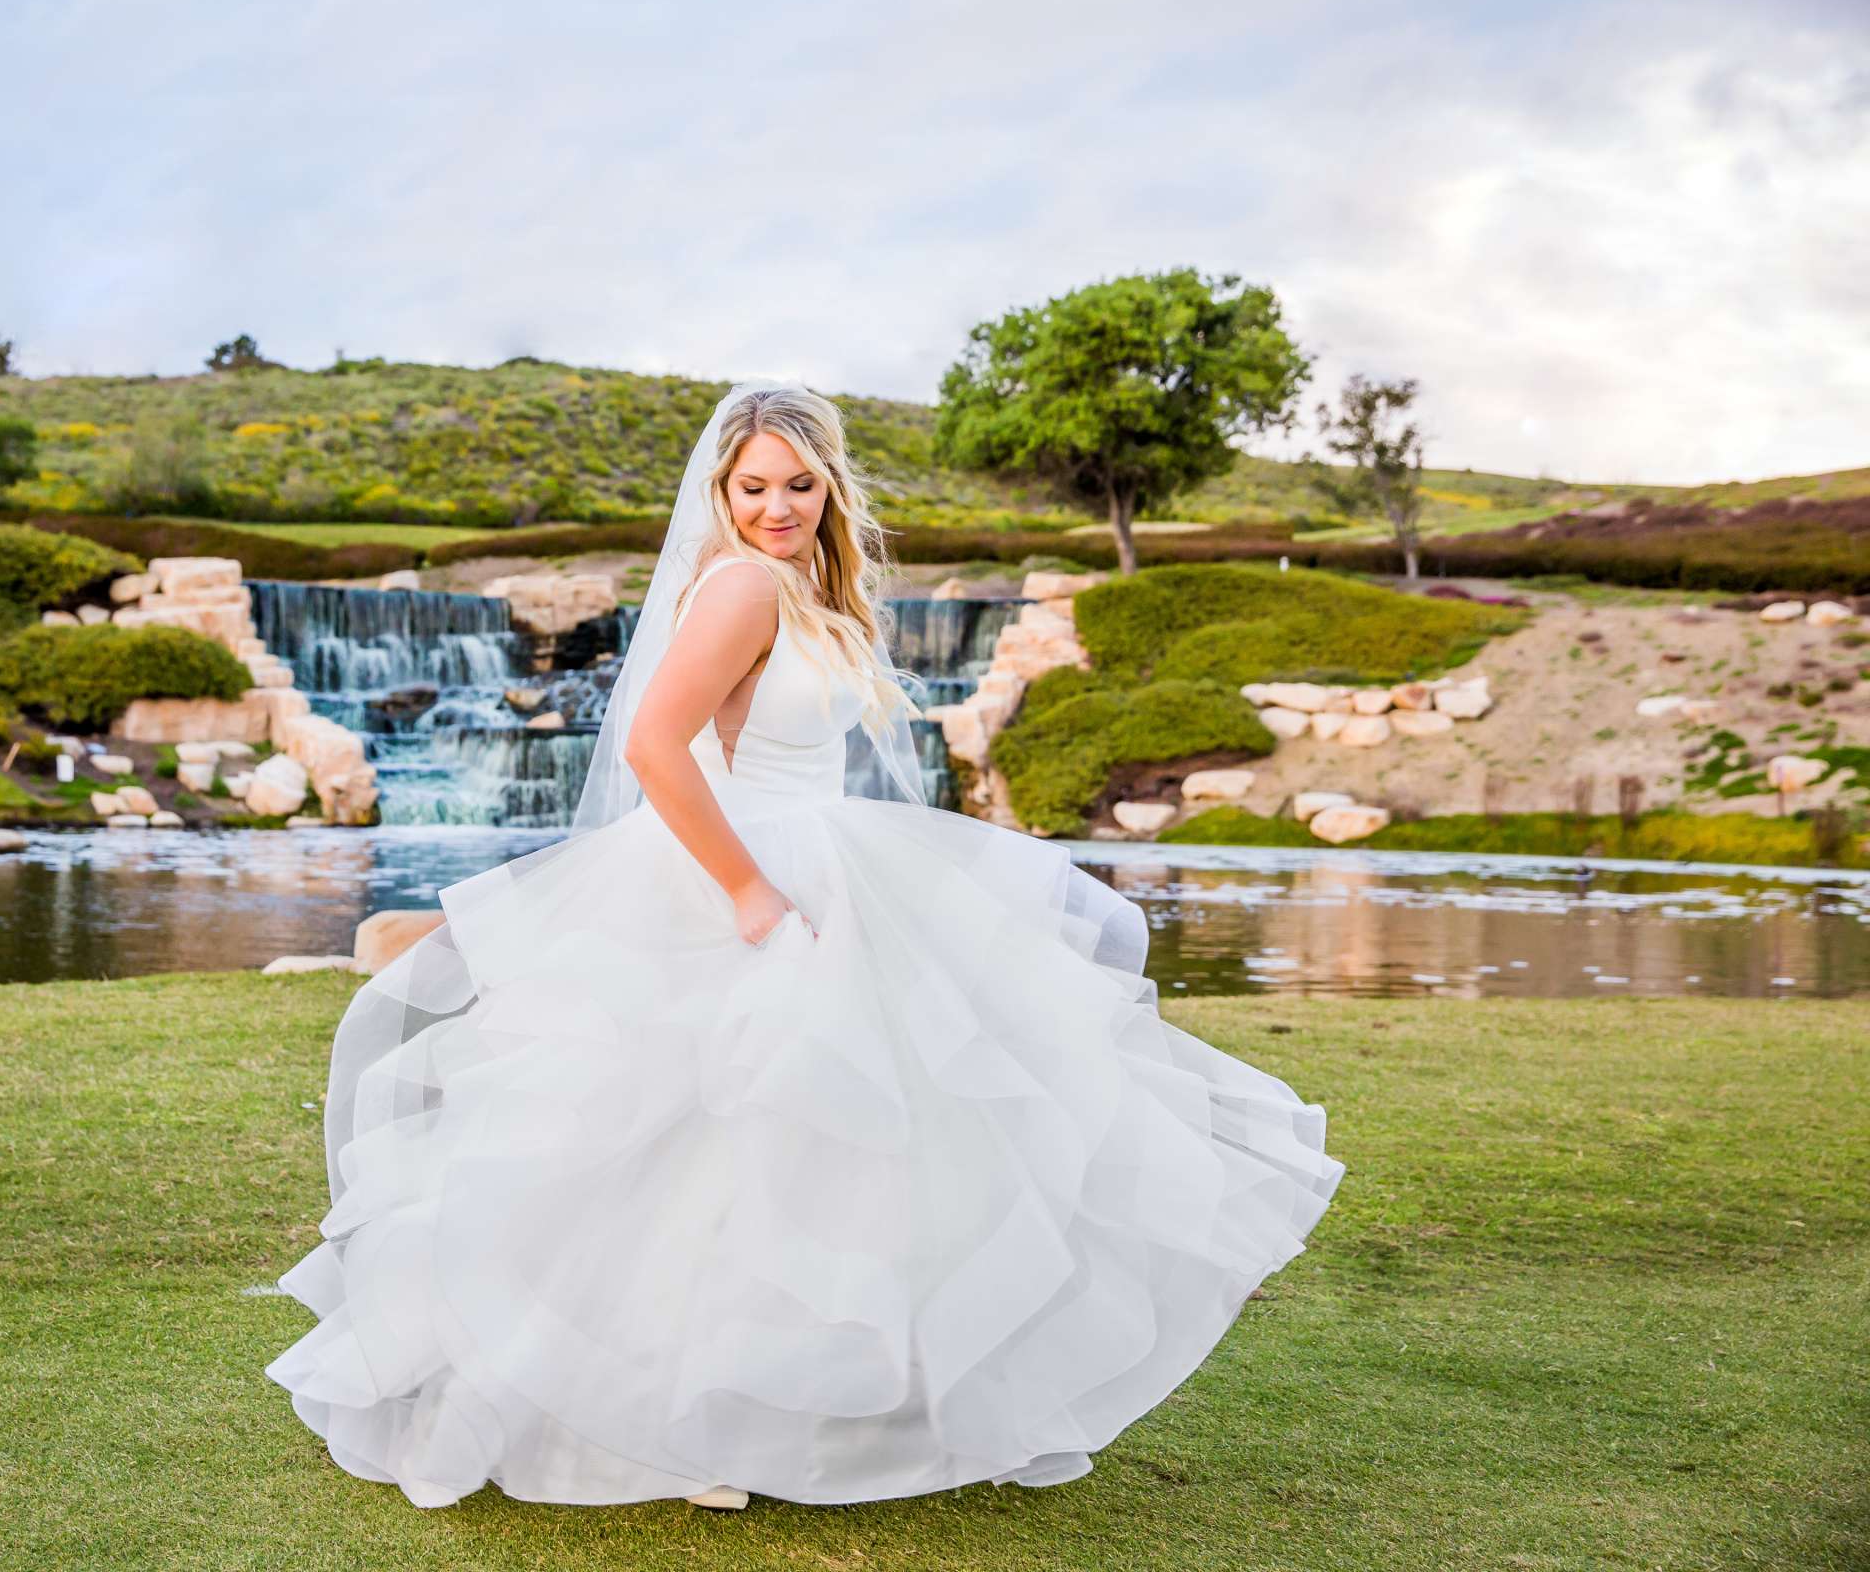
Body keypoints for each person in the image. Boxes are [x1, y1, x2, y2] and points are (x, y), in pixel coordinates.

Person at [263, 378, 1345, 1510]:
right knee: (708, 1146)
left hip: (828, 859)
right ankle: (674, 1414)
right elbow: (653, 747)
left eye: (797, 483)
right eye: (753, 487)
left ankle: (780, 1396)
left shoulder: (807, 588)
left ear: (829, 484)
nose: (777, 505)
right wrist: (748, 892)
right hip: (749, 869)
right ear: (720, 494)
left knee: (807, 1149)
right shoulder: (738, 586)